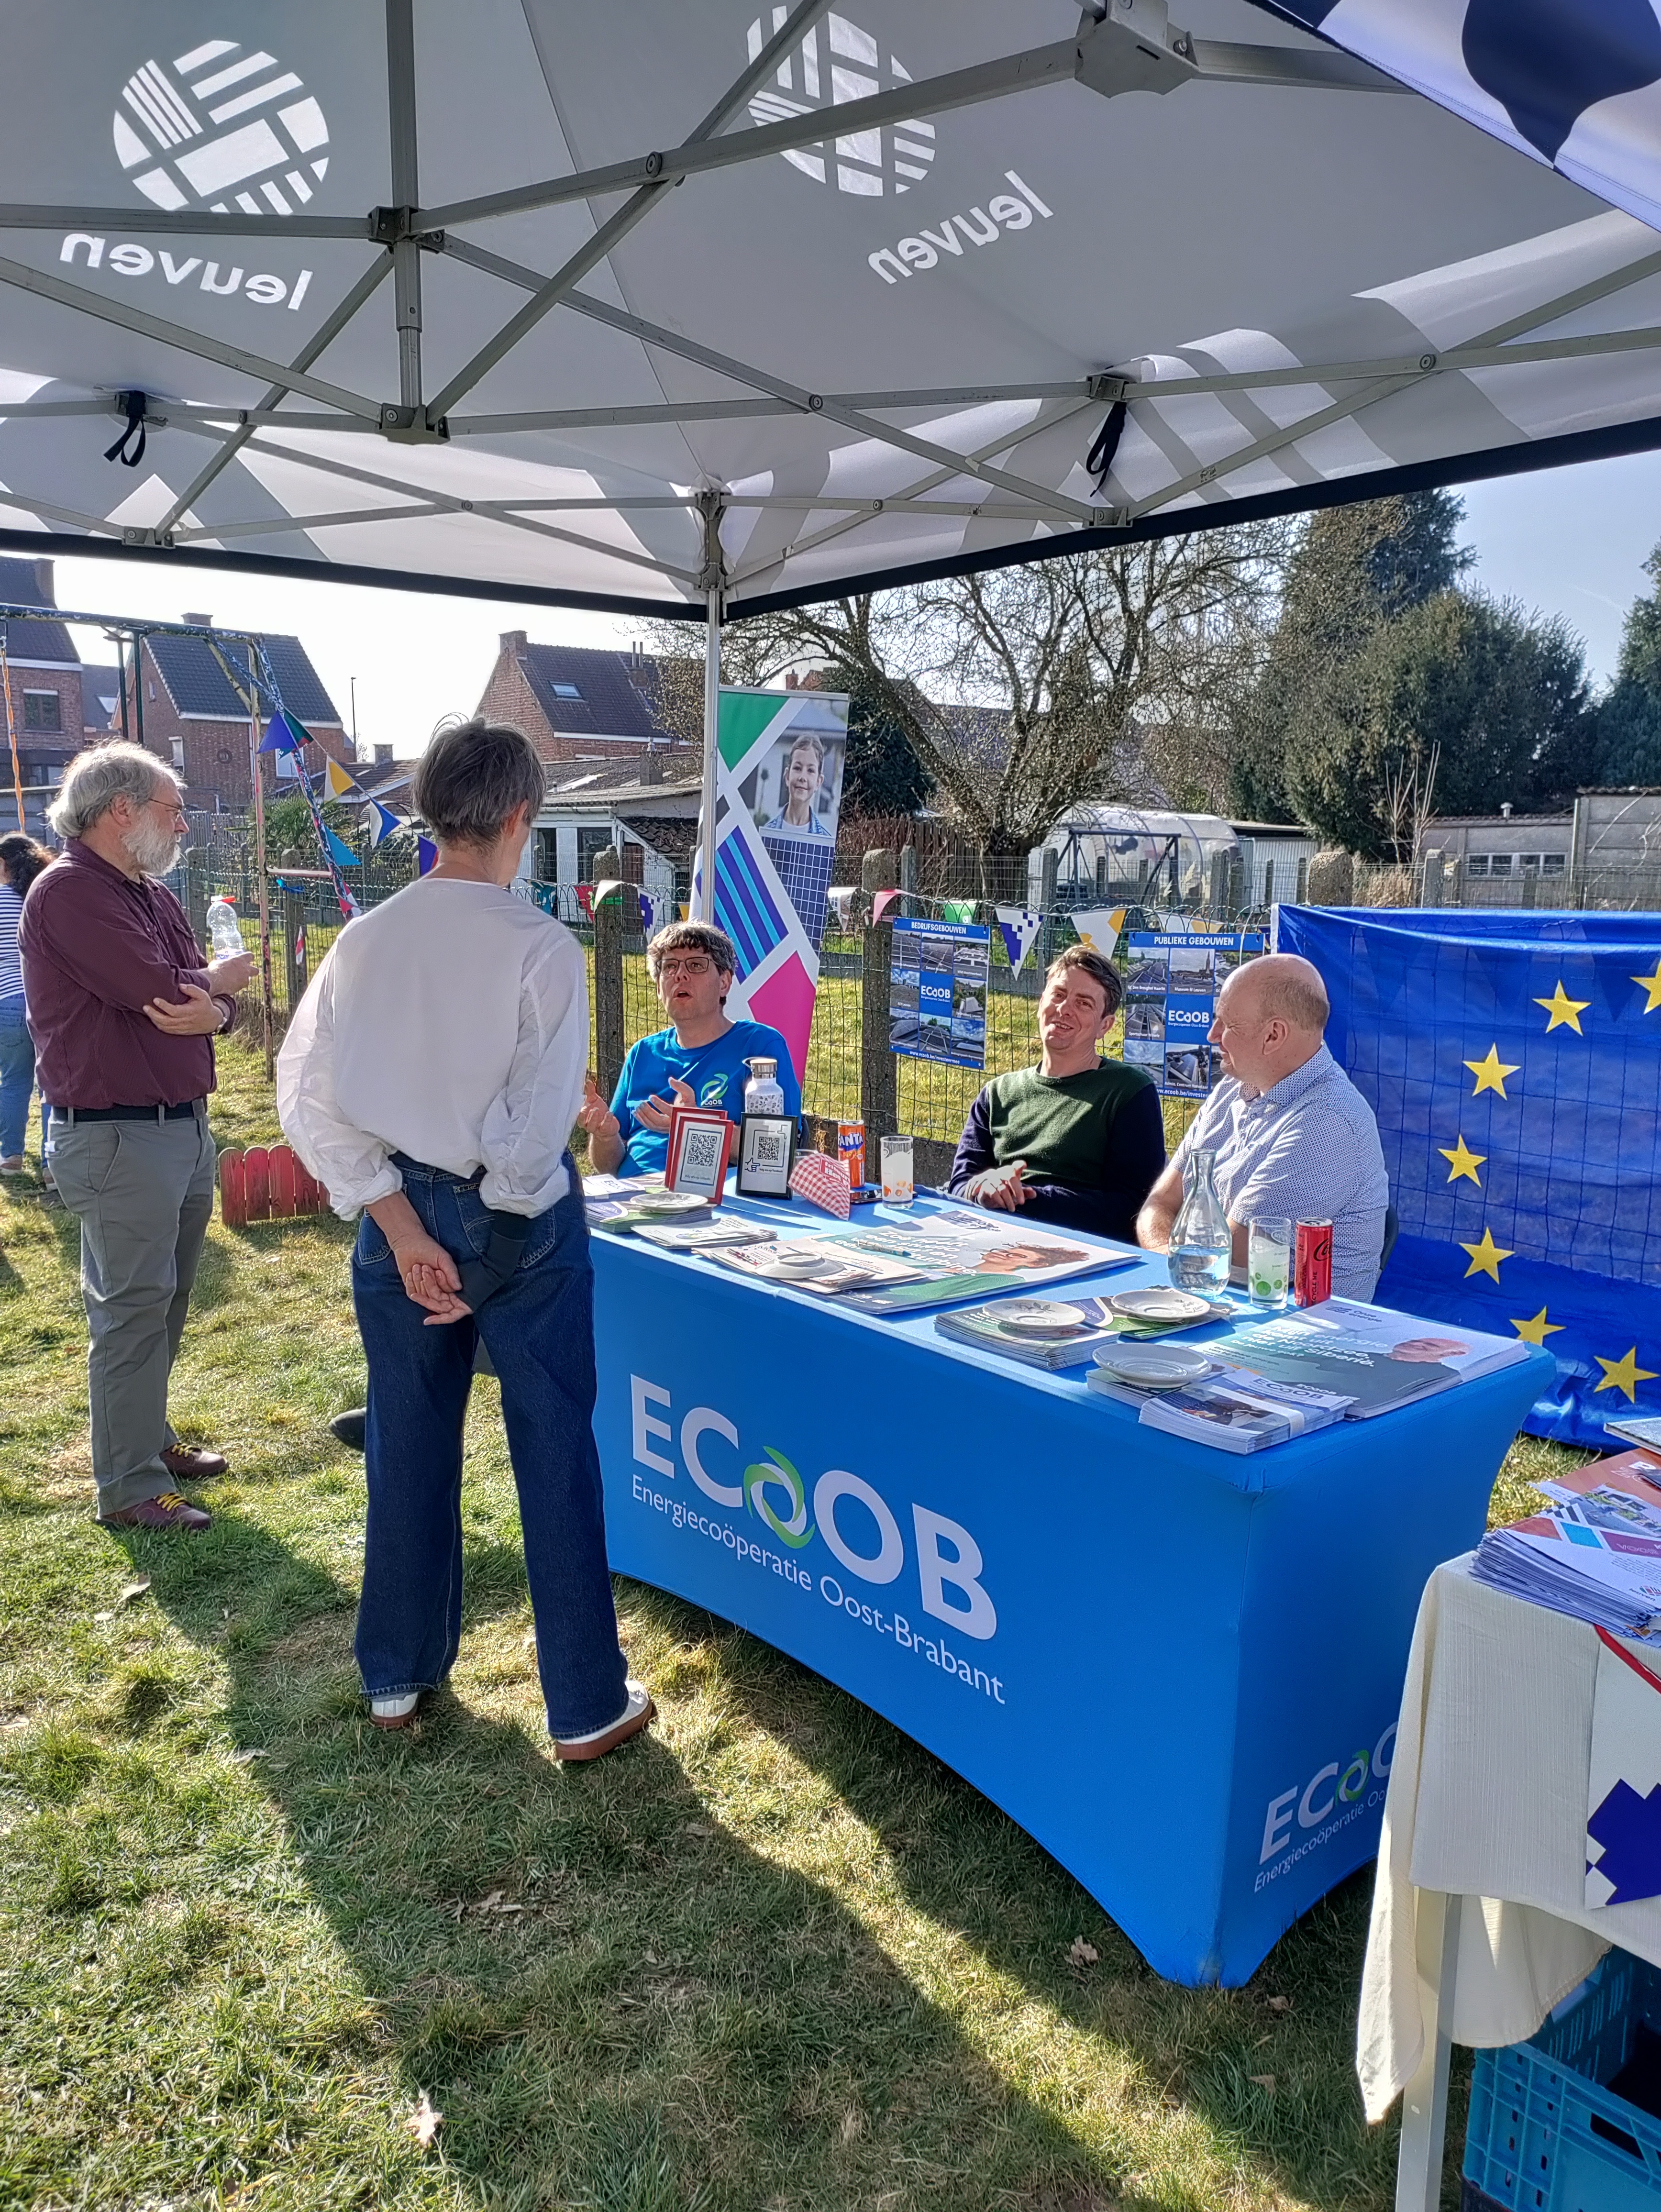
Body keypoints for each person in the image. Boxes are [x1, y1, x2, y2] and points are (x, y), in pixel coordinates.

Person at [277, 716, 651, 1759]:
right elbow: (533, 1125)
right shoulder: (537, 944)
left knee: (407, 1438)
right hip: (513, 1222)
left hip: (398, 1207)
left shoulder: (366, 937)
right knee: (551, 1447)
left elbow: (306, 1098)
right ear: (522, 815)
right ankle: (582, 1698)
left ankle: (396, 1669)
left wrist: (398, 1223)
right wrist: (479, 1240)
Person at [19, 742, 251, 1531]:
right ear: (120, 810)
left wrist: (214, 1003)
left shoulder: (145, 892)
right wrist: (219, 985)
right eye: (172, 808)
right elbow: (162, 990)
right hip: (118, 1135)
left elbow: (200, 1001)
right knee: (129, 1311)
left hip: (177, 1125)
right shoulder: (70, 894)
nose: (183, 823)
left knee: (167, 1298)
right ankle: (126, 1484)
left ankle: (147, 1439)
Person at [1135, 951, 1389, 1301]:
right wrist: (1170, 1255)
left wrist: (1172, 1257)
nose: (1212, 1036)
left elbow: (1228, 1252)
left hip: (1299, 1335)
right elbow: (1159, 1203)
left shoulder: (1328, 1121)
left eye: (1227, 1024)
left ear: (1273, 1036)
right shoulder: (1233, 1089)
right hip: (1221, 1308)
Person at [949, 944, 1166, 1240]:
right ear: (1041, 1003)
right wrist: (984, 1187)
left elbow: (1134, 1209)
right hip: (988, 1237)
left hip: (1080, 1252)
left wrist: (1027, 1198)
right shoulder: (997, 1093)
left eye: (1084, 1003)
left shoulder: (1128, 1091)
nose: (1065, 1009)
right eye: (1059, 995)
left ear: (1106, 1026)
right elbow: (959, 1184)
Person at [578, 919, 800, 1177]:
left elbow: (780, 1150)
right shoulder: (642, 1053)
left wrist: (693, 1126)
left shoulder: (759, 1045)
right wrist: (605, 1136)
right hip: (633, 1198)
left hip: (710, 1201)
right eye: (669, 967)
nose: (680, 976)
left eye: (696, 965)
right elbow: (609, 1166)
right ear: (659, 988)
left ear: (725, 983)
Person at [0, 830, 53, 1177]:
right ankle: (53, 1163)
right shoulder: (42, 896)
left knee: (13, 1079)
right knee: (52, 1084)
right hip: (45, 998)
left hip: (6, 1000)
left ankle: (11, 1157)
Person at [761, 733, 830, 836]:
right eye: (797, 768)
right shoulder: (767, 835)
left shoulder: (825, 841)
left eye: (810, 770)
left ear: (818, 782)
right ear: (787, 776)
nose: (803, 777)